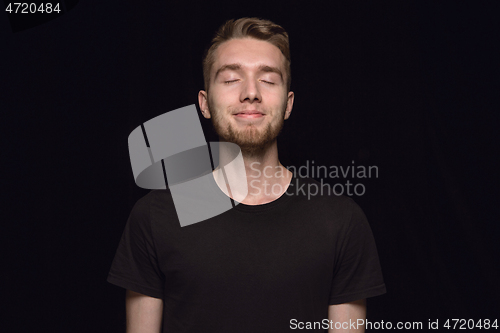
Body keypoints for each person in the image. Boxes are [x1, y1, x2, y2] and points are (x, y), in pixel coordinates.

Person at [108, 17, 386, 332]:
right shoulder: (154, 218)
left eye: (268, 80)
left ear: (288, 104)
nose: (250, 92)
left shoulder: (341, 221)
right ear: (205, 103)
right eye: (230, 79)